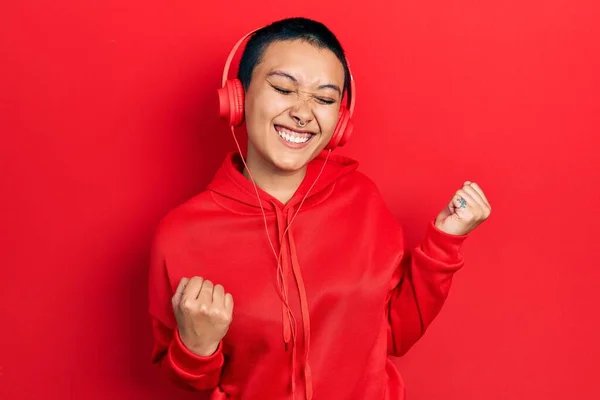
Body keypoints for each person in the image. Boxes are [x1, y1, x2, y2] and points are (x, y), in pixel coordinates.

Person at [148, 16, 491, 400]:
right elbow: (185, 377)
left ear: (340, 121)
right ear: (238, 97)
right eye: (283, 88)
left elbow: (395, 333)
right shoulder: (182, 233)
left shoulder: (362, 200)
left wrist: (445, 242)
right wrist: (197, 349)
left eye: (325, 99)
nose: (303, 112)